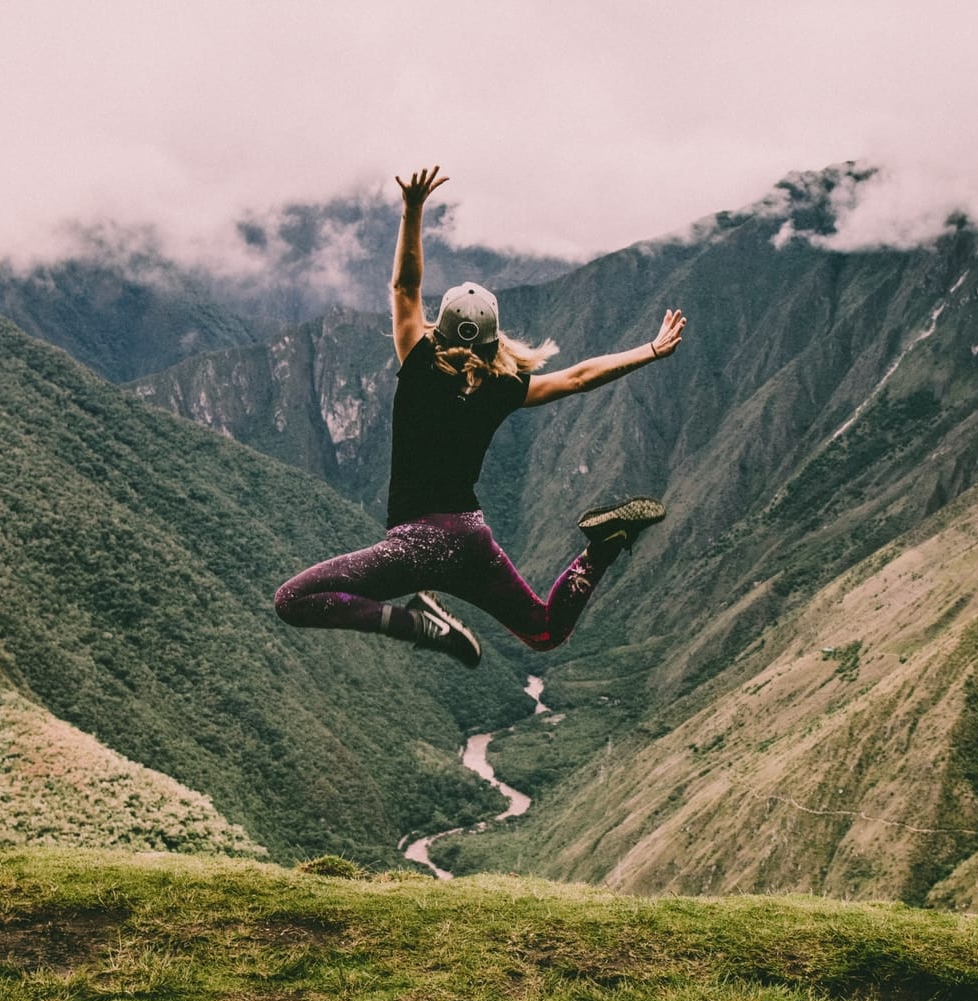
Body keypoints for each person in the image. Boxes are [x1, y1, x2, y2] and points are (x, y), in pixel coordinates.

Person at [274, 166, 686, 668]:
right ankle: (600, 549)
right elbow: (578, 378)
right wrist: (649, 350)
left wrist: (412, 209)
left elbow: (405, 286)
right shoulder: (502, 387)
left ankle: (416, 624)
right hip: (471, 540)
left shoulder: (420, 364)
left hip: (416, 545)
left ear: (439, 329)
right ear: (494, 338)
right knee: (544, 631)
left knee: (292, 601)